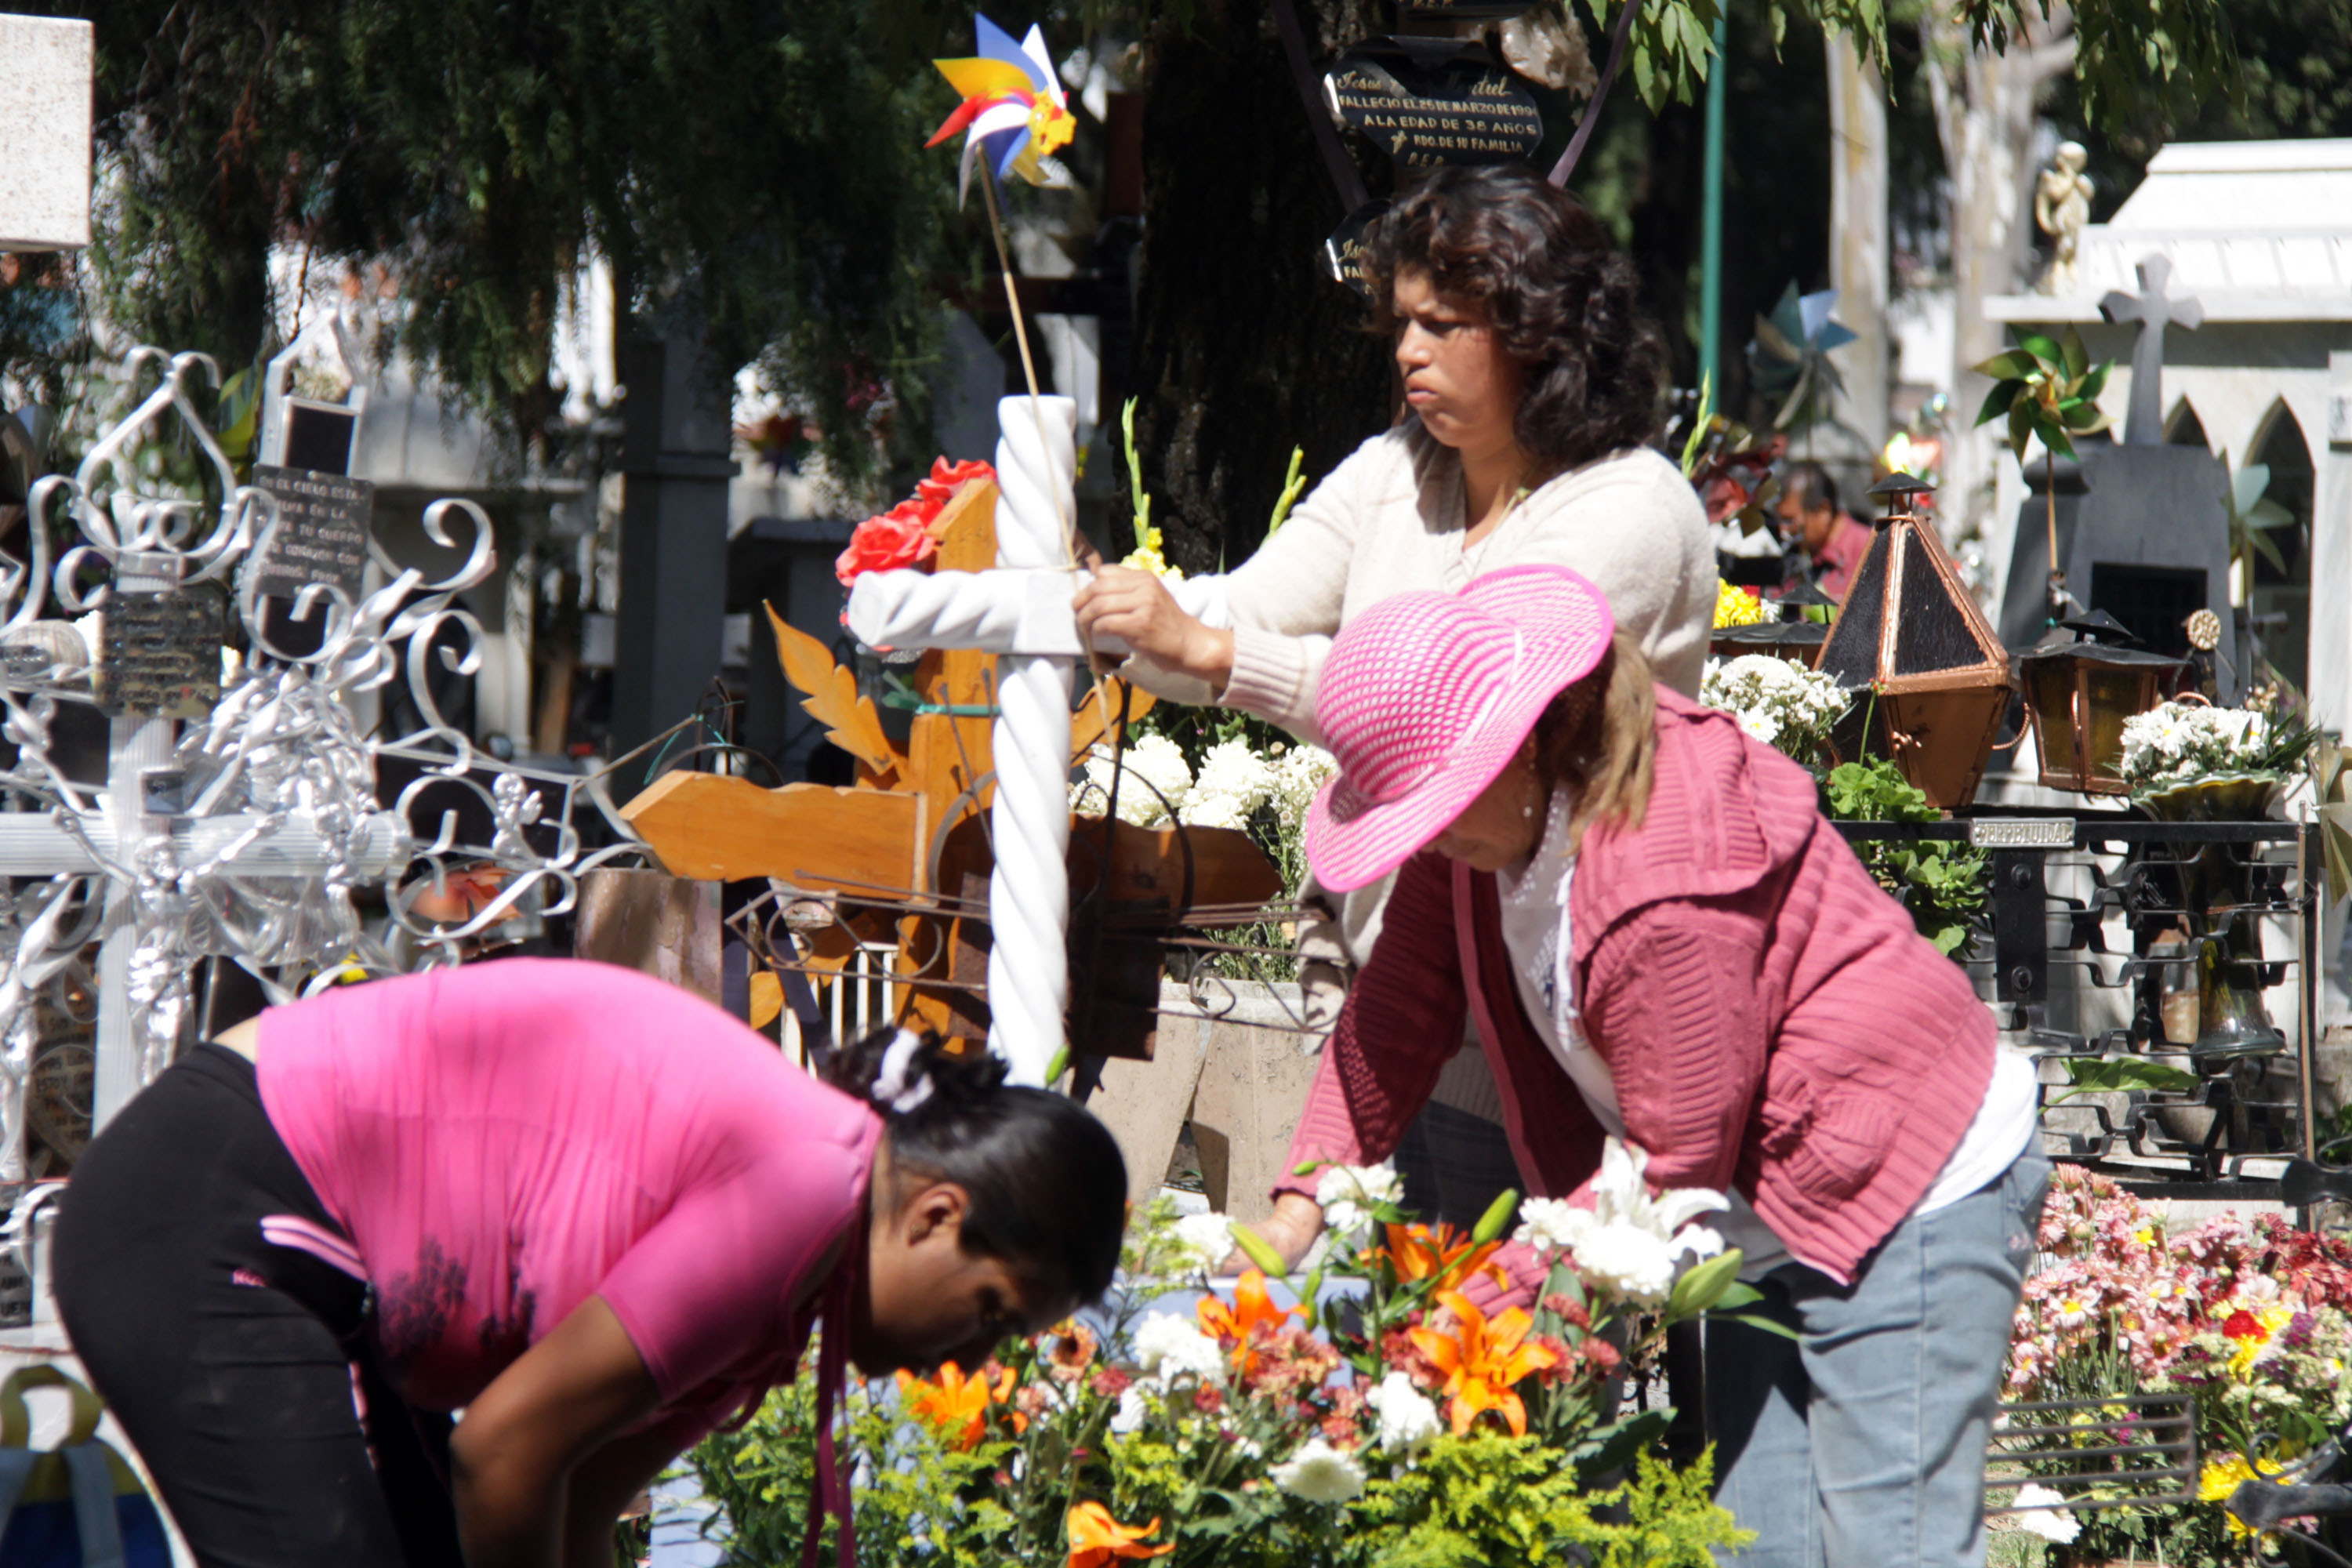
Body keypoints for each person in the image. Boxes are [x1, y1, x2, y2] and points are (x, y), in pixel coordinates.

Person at [1259, 564, 2047, 1568]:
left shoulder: (1657, 881)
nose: (1430, 837)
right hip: (1767, 1207)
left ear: (1526, 742)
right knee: (1756, 1549)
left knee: (1891, 1548)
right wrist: (1298, 1205)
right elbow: (1396, 1012)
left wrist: (1472, 1322)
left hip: (1909, 1181)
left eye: (1438, 806)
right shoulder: (1485, 822)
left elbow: (1676, 1161)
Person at [1074, 163, 1714, 1229]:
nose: (1408, 350)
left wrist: (1213, 650)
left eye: (1445, 323)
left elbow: (1454, 713)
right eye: (1402, 321)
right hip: (1397, 1004)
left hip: (1555, 1041)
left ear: (1542, 331)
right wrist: (1108, 612)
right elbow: (1243, 609)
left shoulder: (1629, 510)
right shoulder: (1397, 470)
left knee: (1521, 1373)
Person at [53, 959, 1127, 1568]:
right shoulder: (806, 1188)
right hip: (212, 1197)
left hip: (303, 1253)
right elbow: (505, 1456)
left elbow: (571, 1510)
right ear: (938, 1216)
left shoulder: (792, 1300)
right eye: (992, 1312)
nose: (971, 1358)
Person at [1777, 459, 1871, 601]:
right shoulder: (1794, 555)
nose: (1783, 529)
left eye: (1790, 520)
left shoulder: (1870, 550)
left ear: (1823, 510)